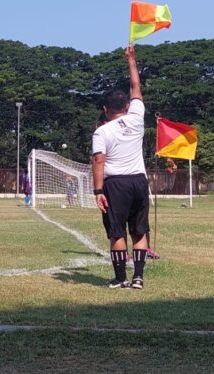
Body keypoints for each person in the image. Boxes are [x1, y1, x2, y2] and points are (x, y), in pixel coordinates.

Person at [92, 45, 149, 290]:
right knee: (139, 230)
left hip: (116, 184)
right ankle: (138, 277)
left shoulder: (102, 131)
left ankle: (120, 278)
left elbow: (98, 161)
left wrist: (98, 191)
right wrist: (131, 60)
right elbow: (136, 87)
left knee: (117, 232)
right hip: (139, 181)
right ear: (126, 105)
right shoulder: (137, 117)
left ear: (105, 109)